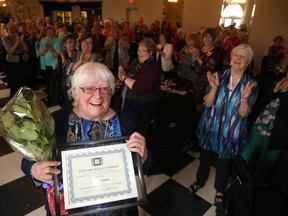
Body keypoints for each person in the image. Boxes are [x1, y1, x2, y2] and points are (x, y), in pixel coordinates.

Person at [21, 62, 148, 216]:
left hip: (118, 210)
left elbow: (144, 164)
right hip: (69, 210)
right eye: (89, 88)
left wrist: (143, 157)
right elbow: (28, 160)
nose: (98, 95)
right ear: (75, 92)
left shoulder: (125, 120)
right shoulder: (55, 121)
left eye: (104, 88)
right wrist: (35, 170)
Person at [188, 44, 258, 207]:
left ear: (247, 63)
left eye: (243, 57)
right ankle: (200, 181)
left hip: (230, 131)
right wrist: (213, 89)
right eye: (236, 55)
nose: (238, 58)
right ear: (230, 58)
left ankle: (220, 189)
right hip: (211, 126)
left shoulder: (251, 84)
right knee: (204, 157)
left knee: (224, 161)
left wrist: (245, 99)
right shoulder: (219, 75)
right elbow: (207, 103)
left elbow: (243, 114)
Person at [240, 76, 288, 186]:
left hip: (276, 138)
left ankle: (255, 188)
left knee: (264, 167)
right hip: (257, 129)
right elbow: (259, 99)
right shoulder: (274, 80)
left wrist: (283, 93)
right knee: (243, 156)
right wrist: (274, 90)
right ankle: (240, 181)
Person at [115, 38, 161, 133]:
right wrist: (124, 75)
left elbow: (139, 88)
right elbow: (130, 80)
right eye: (138, 50)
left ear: (151, 52)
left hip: (141, 108)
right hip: (129, 104)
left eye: (143, 51)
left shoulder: (152, 67)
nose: (139, 53)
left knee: (136, 133)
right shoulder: (136, 63)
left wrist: (124, 78)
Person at [192, 27, 223, 113]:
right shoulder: (201, 49)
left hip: (206, 82)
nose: (207, 39)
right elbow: (193, 67)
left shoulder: (215, 52)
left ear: (213, 39)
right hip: (197, 80)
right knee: (196, 103)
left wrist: (198, 58)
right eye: (205, 36)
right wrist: (194, 59)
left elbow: (209, 69)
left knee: (205, 105)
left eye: (210, 37)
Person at [1, 22, 29, 98]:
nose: (12, 30)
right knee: (14, 82)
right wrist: (17, 42)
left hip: (22, 60)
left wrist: (22, 40)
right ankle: (13, 100)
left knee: (22, 81)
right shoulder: (5, 38)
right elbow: (10, 51)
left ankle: (22, 98)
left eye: (13, 28)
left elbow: (26, 49)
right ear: (7, 30)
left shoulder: (20, 36)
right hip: (12, 62)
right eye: (10, 29)